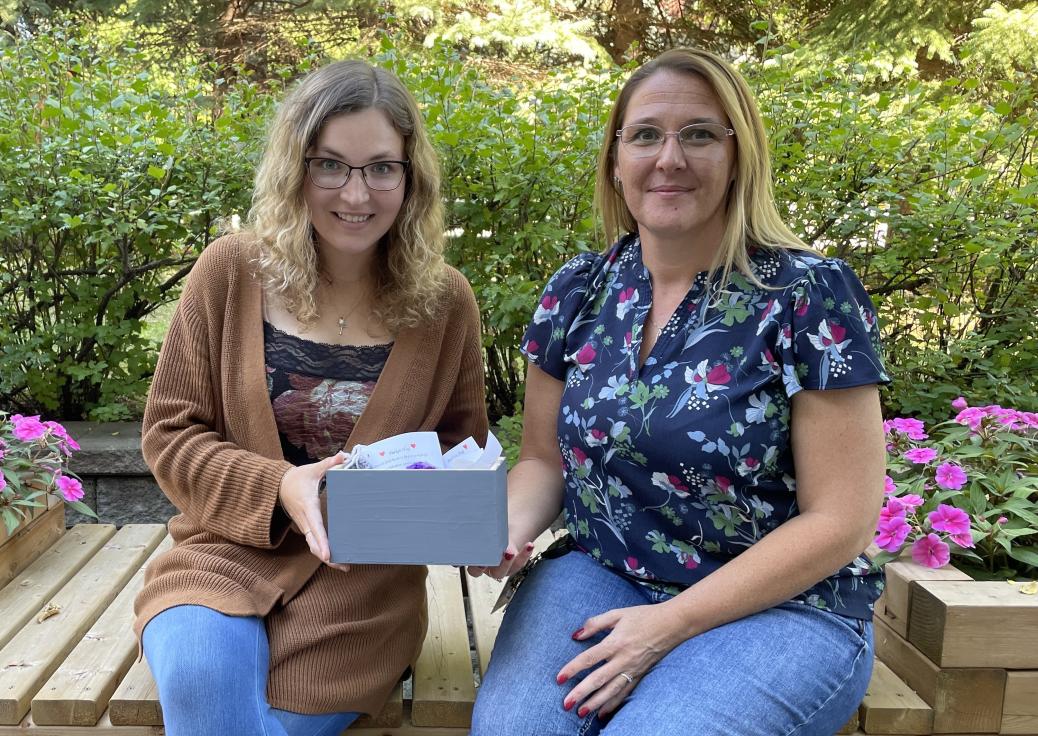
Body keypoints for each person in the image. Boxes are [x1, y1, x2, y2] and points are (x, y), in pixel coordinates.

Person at [469, 47, 889, 736]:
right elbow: (542, 461)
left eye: (698, 134)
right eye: (645, 135)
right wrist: (509, 529)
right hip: (603, 571)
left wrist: (668, 626)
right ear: (614, 159)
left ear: (738, 154)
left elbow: (841, 520)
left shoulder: (808, 296)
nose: (669, 158)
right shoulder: (578, 291)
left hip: (783, 606)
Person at [133, 60, 488, 736]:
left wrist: (470, 522)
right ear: (296, 169)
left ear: (411, 179)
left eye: (382, 167)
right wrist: (281, 486)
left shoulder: (445, 302)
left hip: (363, 592)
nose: (357, 193)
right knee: (207, 692)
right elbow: (170, 433)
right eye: (332, 165)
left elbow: (458, 450)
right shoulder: (230, 272)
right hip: (218, 560)